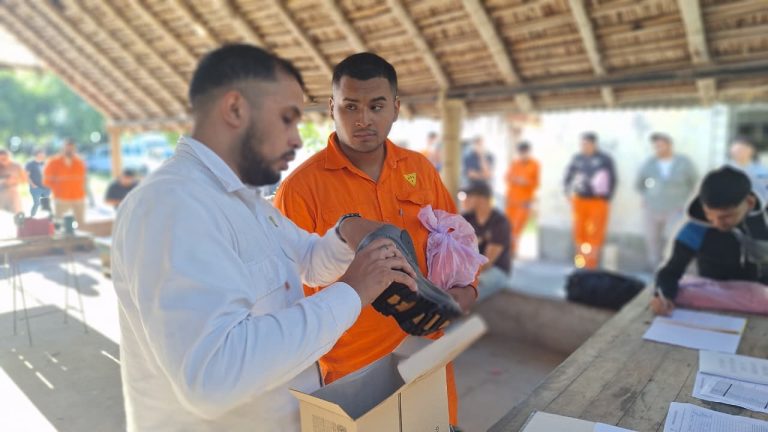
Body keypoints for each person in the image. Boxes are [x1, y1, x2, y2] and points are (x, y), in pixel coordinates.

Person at [111, 44, 417, 431]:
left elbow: (308, 261)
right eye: (287, 120)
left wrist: (345, 231)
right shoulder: (172, 204)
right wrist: (353, 292)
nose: (296, 139)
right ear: (236, 110)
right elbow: (214, 376)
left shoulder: (245, 202)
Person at [275, 52, 476, 427]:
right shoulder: (300, 189)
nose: (363, 118)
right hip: (352, 370)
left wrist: (466, 292)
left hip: (426, 352)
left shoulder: (418, 169)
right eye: (350, 106)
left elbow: (458, 243)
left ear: (396, 108)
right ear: (332, 108)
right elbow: (291, 295)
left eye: (376, 105)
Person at [652, 166, 768, 315]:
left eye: (726, 216)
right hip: (711, 301)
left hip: (758, 303)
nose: (716, 223)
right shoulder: (694, 227)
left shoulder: (764, 221)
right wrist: (663, 295)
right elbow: (669, 272)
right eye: (709, 214)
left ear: (750, 203)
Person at [635, 133, 698, 269]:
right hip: (652, 209)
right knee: (652, 240)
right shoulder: (649, 163)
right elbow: (641, 183)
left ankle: (674, 269)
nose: (658, 148)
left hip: (676, 209)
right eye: (656, 146)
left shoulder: (683, 162)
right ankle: (655, 270)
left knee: (675, 240)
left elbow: (694, 183)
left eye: (661, 145)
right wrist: (646, 196)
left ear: (670, 145)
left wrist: (688, 203)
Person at [563, 132, 617, 268]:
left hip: (597, 202)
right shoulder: (577, 158)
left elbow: (613, 179)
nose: (583, 147)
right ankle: (580, 264)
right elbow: (568, 176)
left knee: (593, 235)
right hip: (579, 201)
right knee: (579, 234)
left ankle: (590, 265)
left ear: (594, 144)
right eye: (582, 144)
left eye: (586, 144)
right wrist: (567, 192)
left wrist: (606, 198)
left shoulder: (604, 159)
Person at [462, 181, 512, 297]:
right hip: (469, 269)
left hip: (495, 270)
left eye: (467, 196)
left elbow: (487, 262)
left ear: (482, 199)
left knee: (467, 292)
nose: (464, 200)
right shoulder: (466, 218)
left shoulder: (500, 222)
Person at [504, 141, 539, 255]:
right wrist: (515, 179)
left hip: (525, 200)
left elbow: (536, 183)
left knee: (517, 226)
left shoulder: (535, 165)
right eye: (521, 152)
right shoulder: (515, 163)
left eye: (525, 152)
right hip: (512, 200)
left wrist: (526, 182)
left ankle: (513, 250)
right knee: (508, 225)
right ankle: (509, 249)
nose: (523, 154)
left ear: (528, 152)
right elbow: (507, 177)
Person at [43, 138, 87, 226]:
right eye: (67, 148)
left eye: (71, 148)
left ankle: (80, 240)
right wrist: (58, 189)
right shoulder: (53, 162)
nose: (69, 150)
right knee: (60, 223)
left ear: (74, 149)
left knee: (81, 223)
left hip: (78, 196)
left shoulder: (79, 162)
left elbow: (83, 179)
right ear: (62, 148)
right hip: (61, 197)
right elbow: (46, 180)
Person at [25, 148, 50, 217]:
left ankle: (47, 220)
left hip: (46, 188)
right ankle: (31, 218)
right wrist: (32, 185)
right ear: (37, 154)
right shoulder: (30, 164)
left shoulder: (44, 163)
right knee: (37, 203)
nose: (43, 155)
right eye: (41, 153)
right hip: (35, 188)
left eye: (43, 153)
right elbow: (26, 175)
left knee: (46, 204)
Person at [0, 149, 25, 213]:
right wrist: (4, 180)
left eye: (5, 158)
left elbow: (24, 179)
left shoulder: (16, 166)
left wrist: (15, 180)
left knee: (17, 213)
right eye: (1, 159)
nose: (3, 161)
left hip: (14, 192)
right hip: (1, 191)